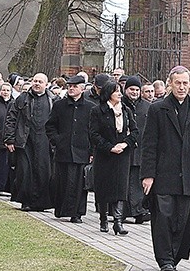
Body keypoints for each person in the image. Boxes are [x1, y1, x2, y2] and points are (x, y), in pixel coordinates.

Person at [140, 65, 190, 271]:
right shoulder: (157, 109)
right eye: (177, 83)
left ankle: (176, 254)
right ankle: (164, 259)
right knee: (163, 217)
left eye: (185, 83)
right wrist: (148, 175)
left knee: (183, 218)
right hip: (164, 173)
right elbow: (149, 144)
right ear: (170, 83)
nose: (181, 87)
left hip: (189, 174)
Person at [89, 81, 138, 235]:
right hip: (105, 155)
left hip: (122, 155)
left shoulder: (126, 110)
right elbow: (94, 134)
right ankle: (104, 218)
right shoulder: (98, 111)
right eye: (116, 91)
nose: (119, 94)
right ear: (108, 93)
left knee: (120, 187)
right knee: (104, 187)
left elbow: (135, 131)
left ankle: (118, 221)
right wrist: (110, 147)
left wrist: (125, 144)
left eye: (120, 91)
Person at [46, 75, 96, 223]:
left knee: (79, 184)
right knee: (62, 182)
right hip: (64, 150)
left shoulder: (90, 107)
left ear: (82, 88)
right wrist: (57, 140)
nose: (71, 89)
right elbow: (50, 126)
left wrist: (92, 151)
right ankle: (61, 210)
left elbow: (94, 131)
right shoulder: (59, 105)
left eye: (75, 86)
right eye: (70, 86)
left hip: (82, 150)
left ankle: (77, 213)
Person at [4, 73, 57, 211]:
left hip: (45, 140)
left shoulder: (52, 100)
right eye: (35, 81)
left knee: (43, 171)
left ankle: (41, 203)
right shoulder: (23, 98)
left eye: (40, 82)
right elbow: (11, 118)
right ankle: (25, 201)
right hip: (25, 139)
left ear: (46, 84)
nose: (37, 84)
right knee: (25, 171)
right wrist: (9, 139)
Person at [120, 75, 151, 224]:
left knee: (138, 183)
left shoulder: (147, 106)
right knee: (125, 182)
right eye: (131, 89)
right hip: (125, 149)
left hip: (142, 150)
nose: (134, 92)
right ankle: (124, 212)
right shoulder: (120, 105)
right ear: (126, 90)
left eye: (137, 90)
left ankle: (139, 211)